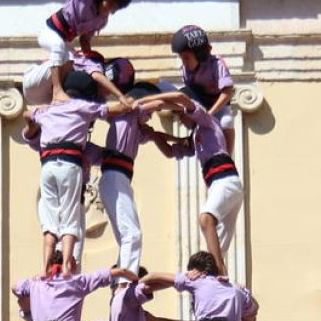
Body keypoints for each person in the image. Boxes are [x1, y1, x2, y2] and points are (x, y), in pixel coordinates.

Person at [26, 71, 133, 274]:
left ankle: (46, 269)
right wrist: (125, 100)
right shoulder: (82, 107)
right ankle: (67, 266)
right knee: (70, 222)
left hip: (48, 167)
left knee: (50, 226)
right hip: (69, 168)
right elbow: (116, 110)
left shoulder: (48, 111)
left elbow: (29, 123)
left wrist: (32, 121)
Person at [139, 88, 243, 276]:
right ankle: (219, 278)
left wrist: (149, 99)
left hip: (225, 181)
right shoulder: (197, 136)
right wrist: (154, 135)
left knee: (206, 219)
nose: (180, 118)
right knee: (216, 249)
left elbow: (180, 97)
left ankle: (220, 271)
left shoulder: (207, 121)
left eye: (181, 114)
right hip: (224, 185)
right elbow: (170, 151)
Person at [99, 62, 169, 272]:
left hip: (119, 178)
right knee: (132, 234)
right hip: (115, 176)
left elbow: (156, 135)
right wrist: (180, 103)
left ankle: (123, 273)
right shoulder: (127, 113)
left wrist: (181, 140)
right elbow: (152, 103)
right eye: (151, 111)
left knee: (126, 235)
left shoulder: (134, 125)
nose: (151, 115)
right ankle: (125, 279)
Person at [168, 25, 236, 153]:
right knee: (167, 88)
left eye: (186, 58)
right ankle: (193, 141)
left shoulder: (217, 64)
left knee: (226, 121)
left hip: (219, 104)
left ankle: (227, 155)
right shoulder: (186, 70)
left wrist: (209, 114)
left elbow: (228, 91)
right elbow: (189, 92)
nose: (184, 62)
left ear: (200, 55)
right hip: (200, 102)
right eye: (182, 58)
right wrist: (185, 113)